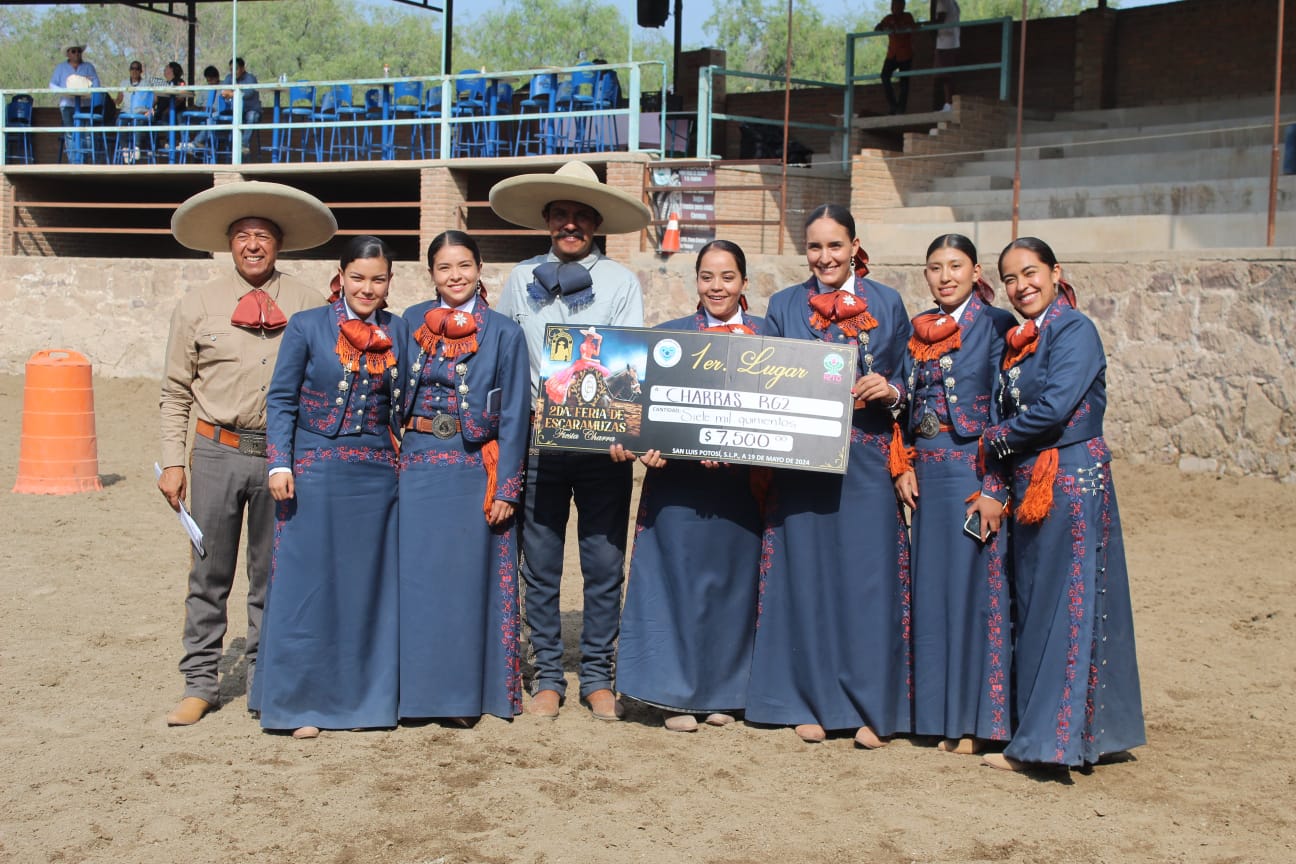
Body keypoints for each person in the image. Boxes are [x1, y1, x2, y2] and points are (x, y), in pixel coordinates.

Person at [159, 181, 336, 727]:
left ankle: (267, 678)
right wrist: (171, 460)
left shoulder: (309, 303)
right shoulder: (197, 305)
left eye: (263, 236)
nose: (253, 245)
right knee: (209, 572)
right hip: (215, 451)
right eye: (242, 236)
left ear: (279, 244)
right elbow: (174, 390)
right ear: (229, 244)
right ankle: (200, 681)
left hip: (283, 457)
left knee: (275, 573)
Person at [489, 160, 653, 721]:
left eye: (581, 215)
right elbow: (505, 352)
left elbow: (630, 359)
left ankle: (600, 676)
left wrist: (625, 429)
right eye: (560, 214)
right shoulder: (519, 279)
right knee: (540, 562)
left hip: (603, 446)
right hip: (538, 440)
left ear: (595, 222)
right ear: (547, 220)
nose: (570, 224)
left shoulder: (621, 282)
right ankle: (549, 675)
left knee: (604, 562)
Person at [745, 204, 913, 747]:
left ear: (854, 245)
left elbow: (914, 383)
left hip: (865, 461)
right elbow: (763, 382)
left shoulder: (887, 302)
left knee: (867, 583)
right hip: (801, 469)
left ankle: (871, 707)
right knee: (808, 581)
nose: (825, 257)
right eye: (815, 247)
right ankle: (808, 701)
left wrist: (890, 391)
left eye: (835, 246)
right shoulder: (783, 306)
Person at [980, 237, 1145, 772]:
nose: (1021, 286)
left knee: (1064, 606)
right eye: (1009, 278)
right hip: (1035, 482)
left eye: (1030, 273)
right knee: (1042, 603)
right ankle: (1086, 734)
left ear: (1056, 273)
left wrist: (995, 440)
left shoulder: (1074, 329)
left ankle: (1046, 744)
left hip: (1069, 481)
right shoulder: (1019, 339)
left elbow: (1054, 407)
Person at [251, 236, 407, 739]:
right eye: (358, 277)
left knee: (366, 588)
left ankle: (364, 701)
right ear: (341, 277)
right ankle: (301, 704)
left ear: (389, 283)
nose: (367, 287)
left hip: (377, 477)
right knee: (309, 586)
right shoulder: (307, 326)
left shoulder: (400, 329)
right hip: (313, 472)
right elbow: (281, 400)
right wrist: (280, 463)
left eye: (378, 279)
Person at [612, 240, 766, 733]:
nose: (716, 286)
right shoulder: (666, 338)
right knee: (674, 583)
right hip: (677, 485)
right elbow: (639, 414)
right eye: (706, 276)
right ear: (694, 281)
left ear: (744, 282)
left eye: (726, 277)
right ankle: (671, 697)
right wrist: (640, 445)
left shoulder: (770, 339)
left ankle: (722, 692)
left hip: (741, 489)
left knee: (731, 588)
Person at [397, 231, 531, 724]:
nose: (455, 276)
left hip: (476, 469)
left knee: (465, 586)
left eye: (464, 266)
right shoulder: (408, 321)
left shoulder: (504, 332)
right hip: (416, 467)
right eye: (444, 268)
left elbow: (516, 415)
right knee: (418, 581)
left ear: (479, 269)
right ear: (430, 273)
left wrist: (508, 488)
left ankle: (463, 698)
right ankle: (417, 695)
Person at [892, 234, 1017, 755]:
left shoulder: (996, 325)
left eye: (955, 266)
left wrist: (995, 486)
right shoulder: (918, 327)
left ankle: (975, 723)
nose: (945, 276)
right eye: (935, 267)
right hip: (928, 477)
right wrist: (901, 464)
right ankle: (937, 717)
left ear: (975, 270)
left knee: (975, 598)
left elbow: (1009, 412)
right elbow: (901, 400)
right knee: (932, 594)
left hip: (973, 475)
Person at [49, 41, 101, 164]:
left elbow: (97, 84)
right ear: (68, 54)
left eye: (78, 51)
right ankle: (74, 162)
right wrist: (64, 91)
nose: (77, 53)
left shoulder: (88, 66)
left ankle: (86, 160)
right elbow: (52, 85)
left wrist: (89, 86)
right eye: (73, 51)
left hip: (85, 105)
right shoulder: (60, 68)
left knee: (87, 134)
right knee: (70, 133)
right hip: (67, 105)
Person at [877, 1, 917, 114]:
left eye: (898, 6)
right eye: (893, 6)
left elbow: (913, 27)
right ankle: (893, 105)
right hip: (892, 55)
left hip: (906, 55)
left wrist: (900, 27)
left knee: (904, 83)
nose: (895, 8)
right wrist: (884, 27)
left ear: (903, 7)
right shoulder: (888, 18)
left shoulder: (907, 16)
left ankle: (901, 109)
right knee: (884, 76)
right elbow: (878, 27)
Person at [114, 60, 152, 163]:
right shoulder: (124, 83)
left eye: (137, 69)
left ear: (141, 71)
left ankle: (136, 147)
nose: (134, 71)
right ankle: (125, 150)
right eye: (132, 68)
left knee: (139, 120)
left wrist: (150, 108)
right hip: (126, 112)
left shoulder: (146, 84)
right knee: (120, 122)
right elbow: (119, 99)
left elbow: (153, 98)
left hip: (140, 112)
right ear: (129, 70)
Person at [221, 57, 262, 154]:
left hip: (250, 110)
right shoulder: (228, 78)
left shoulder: (250, 78)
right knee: (214, 116)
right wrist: (229, 93)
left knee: (251, 116)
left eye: (236, 69)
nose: (233, 72)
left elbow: (249, 93)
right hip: (235, 111)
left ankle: (243, 145)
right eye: (231, 69)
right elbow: (224, 92)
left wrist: (233, 94)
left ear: (243, 68)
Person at [932, 0, 961, 111]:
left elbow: (941, 19)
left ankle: (949, 104)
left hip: (944, 44)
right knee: (947, 75)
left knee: (943, 76)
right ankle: (950, 104)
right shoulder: (953, 3)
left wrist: (925, 26)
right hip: (953, 42)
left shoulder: (942, 2)